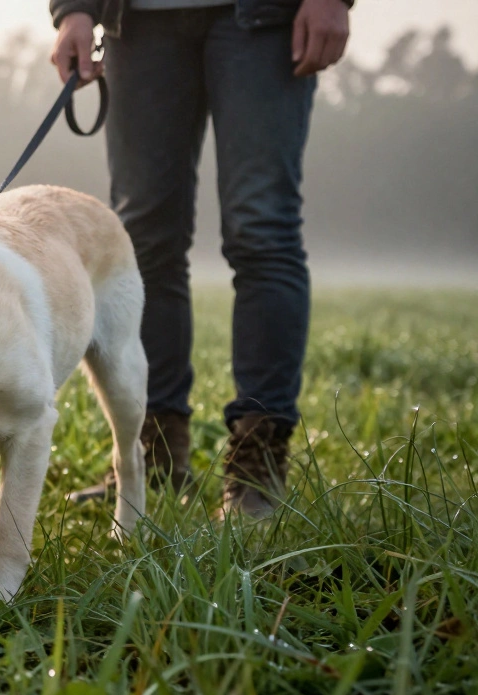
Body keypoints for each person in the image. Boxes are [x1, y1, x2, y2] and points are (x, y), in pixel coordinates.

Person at [50, 0, 351, 517]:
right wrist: (73, 9)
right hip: (137, 21)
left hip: (265, 17)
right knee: (141, 239)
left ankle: (259, 462)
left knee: (262, 228)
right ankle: (152, 454)